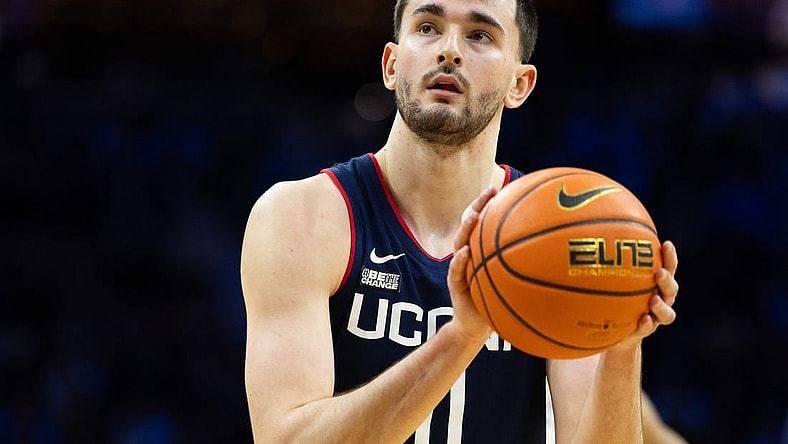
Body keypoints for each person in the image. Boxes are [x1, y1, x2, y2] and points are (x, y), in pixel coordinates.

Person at [240, 0, 680, 442]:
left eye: (480, 35)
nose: (449, 50)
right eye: (428, 27)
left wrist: (621, 350)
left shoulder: (566, 238)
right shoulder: (301, 218)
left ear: (519, 85)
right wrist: (461, 337)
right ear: (392, 65)